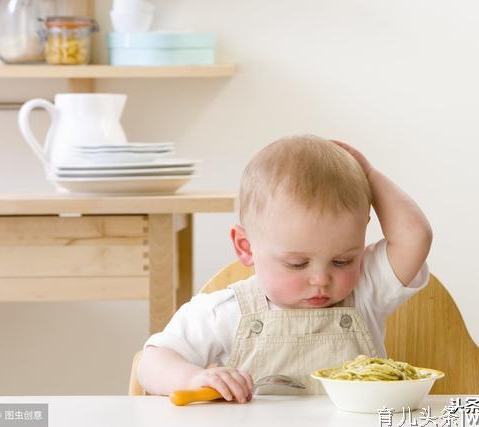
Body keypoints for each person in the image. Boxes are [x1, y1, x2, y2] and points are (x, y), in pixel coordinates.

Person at [137, 134, 433, 403]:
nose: (321, 279)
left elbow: (415, 237)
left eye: (342, 261)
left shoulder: (366, 291)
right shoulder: (226, 312)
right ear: (245, 247)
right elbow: (152, 363)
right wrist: (192, 377)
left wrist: (370, 177)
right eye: (297, 264)